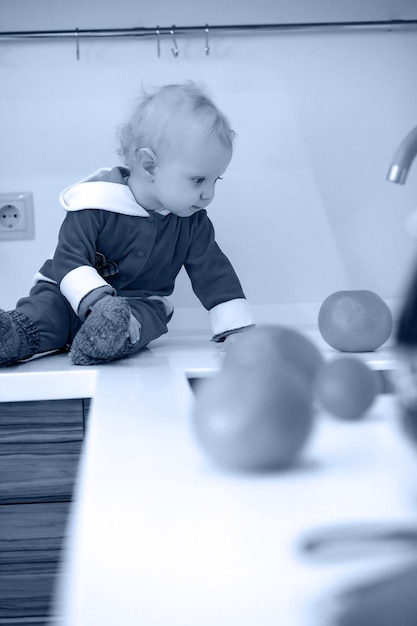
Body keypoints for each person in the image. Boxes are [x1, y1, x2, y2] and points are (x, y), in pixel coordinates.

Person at [0, 81, 253, 366]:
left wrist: (236, 329)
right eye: (198, 180)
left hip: (137, 304)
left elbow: (214, 273)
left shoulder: (192, 223)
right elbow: (68, 262)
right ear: (149, 166)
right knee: (43, 313)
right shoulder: (94, 203)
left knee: (144, 319)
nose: (209, 194)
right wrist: (98, 302)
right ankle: (13, 334)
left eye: (214, 180)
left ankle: (106, 338)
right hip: (63, 295)